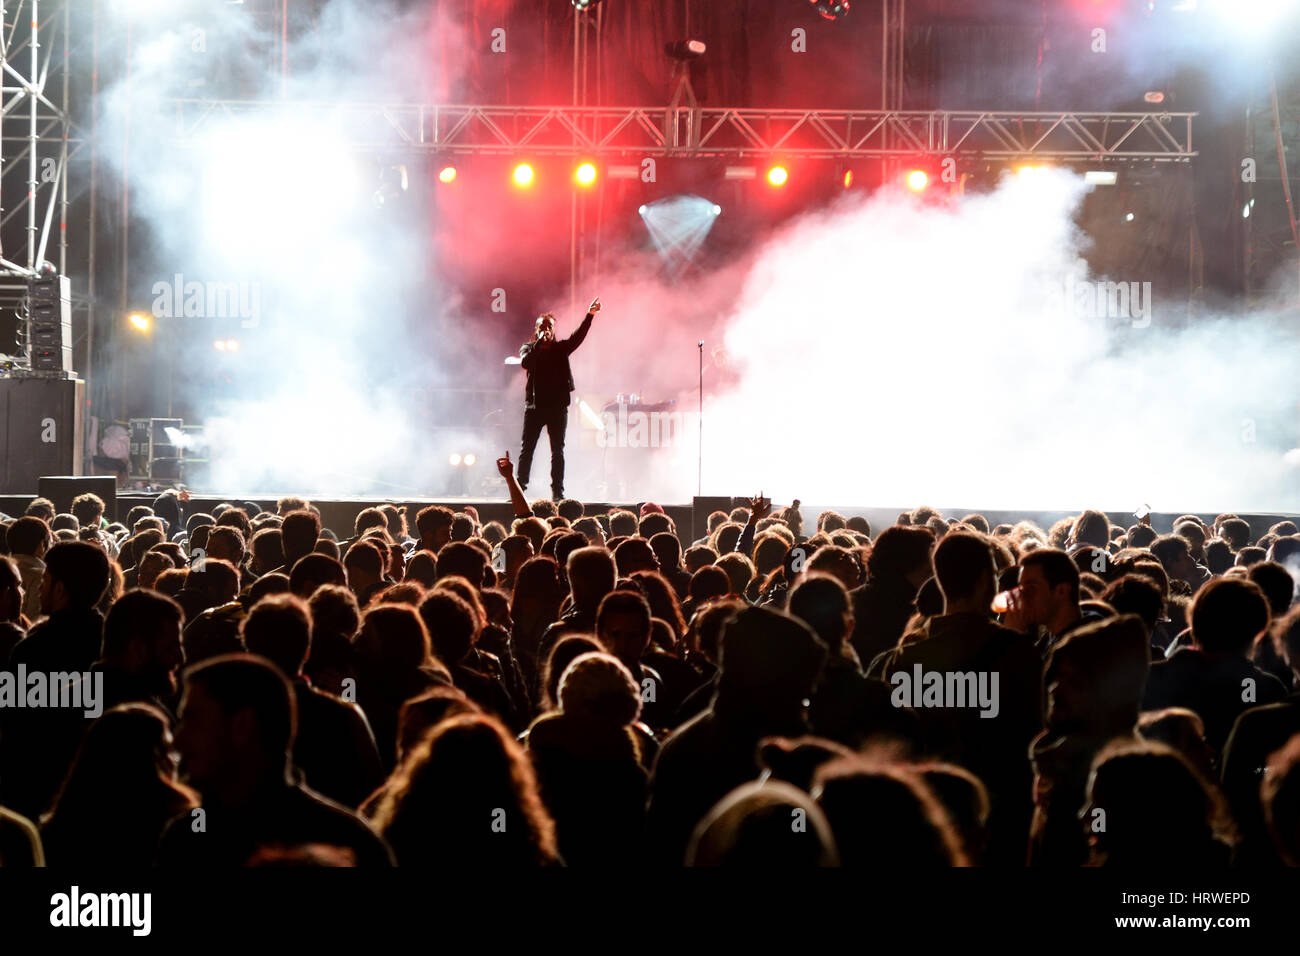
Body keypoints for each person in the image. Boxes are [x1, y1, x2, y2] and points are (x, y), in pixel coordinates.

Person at [516, 297, 601, 500]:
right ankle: (520, 489)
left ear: (554, 330)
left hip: (557, 407)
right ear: (536, 330)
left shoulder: (561, 349)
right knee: (527, 449)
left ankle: (557, 492)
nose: (546, 328)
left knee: (557, 451)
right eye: (542, 326)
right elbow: (526, 363)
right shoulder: (528, 348)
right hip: (534, 407)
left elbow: (577, 337)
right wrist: (538, 344)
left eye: (549, 326)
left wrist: (589, 316)